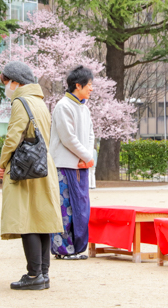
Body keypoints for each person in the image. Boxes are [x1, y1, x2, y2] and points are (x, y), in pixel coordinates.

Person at [0, 61, 63, 291]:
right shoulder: (40, 102)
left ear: (15, 81)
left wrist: (3, 162)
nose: (6, 87)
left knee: (27, 220)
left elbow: (13, 136)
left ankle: (33, 275)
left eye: (6, 82)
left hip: (27, 169)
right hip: (44, 165)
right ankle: (43, 273)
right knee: (41, 220)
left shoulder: (20, 102)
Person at [50, 65, 95, 260]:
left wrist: (87, 157)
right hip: (64, 165)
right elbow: (67, 138)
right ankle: (64, 249)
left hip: (81, 165)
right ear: (78, 85)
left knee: (81, 208)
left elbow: (91, 134)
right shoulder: (63, 106)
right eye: (89, 85)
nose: (91, 89)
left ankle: (76, 248)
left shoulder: (83, 108)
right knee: (65, 208)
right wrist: (86, 157)